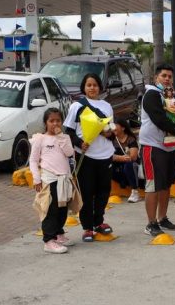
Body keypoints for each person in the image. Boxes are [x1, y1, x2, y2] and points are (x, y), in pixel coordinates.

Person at [64, 73, 115, 242]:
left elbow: (111, 130)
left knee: (103, 191)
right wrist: (79, 143)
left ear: (100, 87)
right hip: (86, 156)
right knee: (86, 192)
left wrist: (108, 134)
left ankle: (99, 222)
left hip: (105, 155)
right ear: (84, 88)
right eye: (88, 85)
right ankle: (87, 227)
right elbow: (68, 131)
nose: (92, 88)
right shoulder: (77, 106)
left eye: (95, 85)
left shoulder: (107, 106)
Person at [138, 64, 175, 237]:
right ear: (156, 77)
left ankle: (162, 218)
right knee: (153, 185)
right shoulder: (151, 95)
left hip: (170, 146)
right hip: (153, 146)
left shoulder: (169, 96)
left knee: (166, 184)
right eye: (164, 76)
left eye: (169, 77)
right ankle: (151, 223)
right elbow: (159, 119)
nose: (167, 79)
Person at [30, 108, 79, 254]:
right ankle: (49, 240)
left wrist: (61, 137)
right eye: (51, 121)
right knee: (50, 210)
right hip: (49, 179)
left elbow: (69, 153)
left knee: (62, 209)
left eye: (58, 120)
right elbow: (33, 160)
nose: (55, 123)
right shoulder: (40, 139)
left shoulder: (65, 138)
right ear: (46, 123)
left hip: (64, 179)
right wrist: (36, 178)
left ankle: (58, 234)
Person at [111, 119, 141, 203]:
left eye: (116, 126)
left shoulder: (130, 139)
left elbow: (133, 157)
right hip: (117, 167)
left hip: (131, 166)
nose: (113, 128)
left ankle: (135, 192)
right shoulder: (112, 139)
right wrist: (120, 158)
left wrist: (116, 157)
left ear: (123, 128)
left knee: (129, 165)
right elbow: (107, 155)